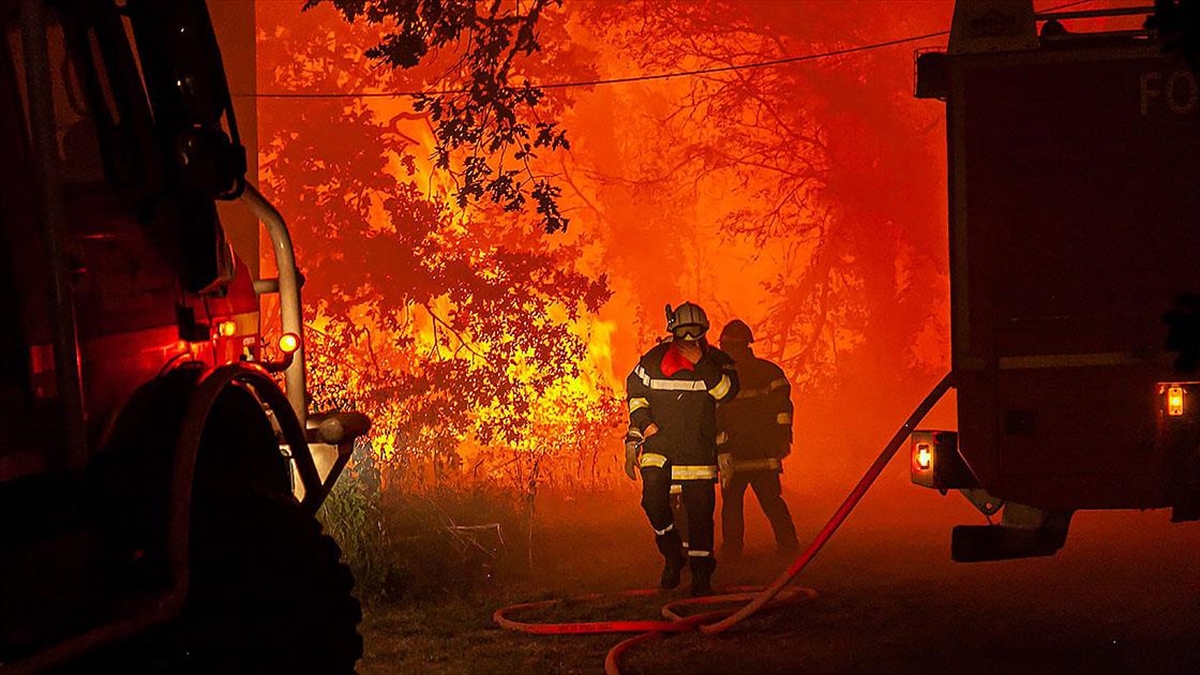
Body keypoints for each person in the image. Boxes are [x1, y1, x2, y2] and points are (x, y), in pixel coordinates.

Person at [624, 302, 739, 596]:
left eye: (695, 331)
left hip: (698, 450)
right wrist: (642, 429)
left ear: (704, 332)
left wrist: (702, 363)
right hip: (660, 445)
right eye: (683, 331)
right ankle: (672, 555)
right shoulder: (652, 361)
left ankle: (701, 574)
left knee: (700, 515)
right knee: (652, 501)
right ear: (672, 331)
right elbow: (635, 394)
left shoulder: (718, 362)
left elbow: (726, 394)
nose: (689, 338)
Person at [716, 319, 799, 559]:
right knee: (770, 501)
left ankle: (733, 550)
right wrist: (783, 438)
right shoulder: (769, 372)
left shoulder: (722, 378)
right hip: (761, 451)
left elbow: (716, 415)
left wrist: (721, 448)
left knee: (734, 505)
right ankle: (788, 544)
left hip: (736, 453)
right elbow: (784, 409)